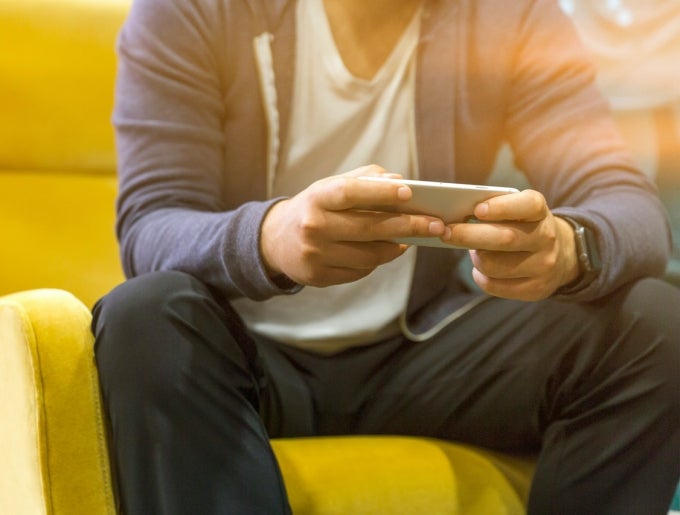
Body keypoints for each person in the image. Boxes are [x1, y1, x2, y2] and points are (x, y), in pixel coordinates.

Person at [92, 0, 680, 513]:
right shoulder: (193, 9)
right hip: (243, 359)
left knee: (655, 322)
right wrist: (272, 237)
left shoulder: (512, 14)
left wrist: (568, 246)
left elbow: (631, 207)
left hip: (422, 359)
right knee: (143, 316)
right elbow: (152, 224)